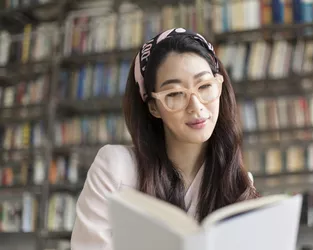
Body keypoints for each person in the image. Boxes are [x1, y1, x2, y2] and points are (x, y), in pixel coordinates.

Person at [70, 27, 260, 250]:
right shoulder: (115, 167)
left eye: (205, 86)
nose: (196, 107)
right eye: (175, 94)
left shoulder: (237, 183)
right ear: (153, 107)